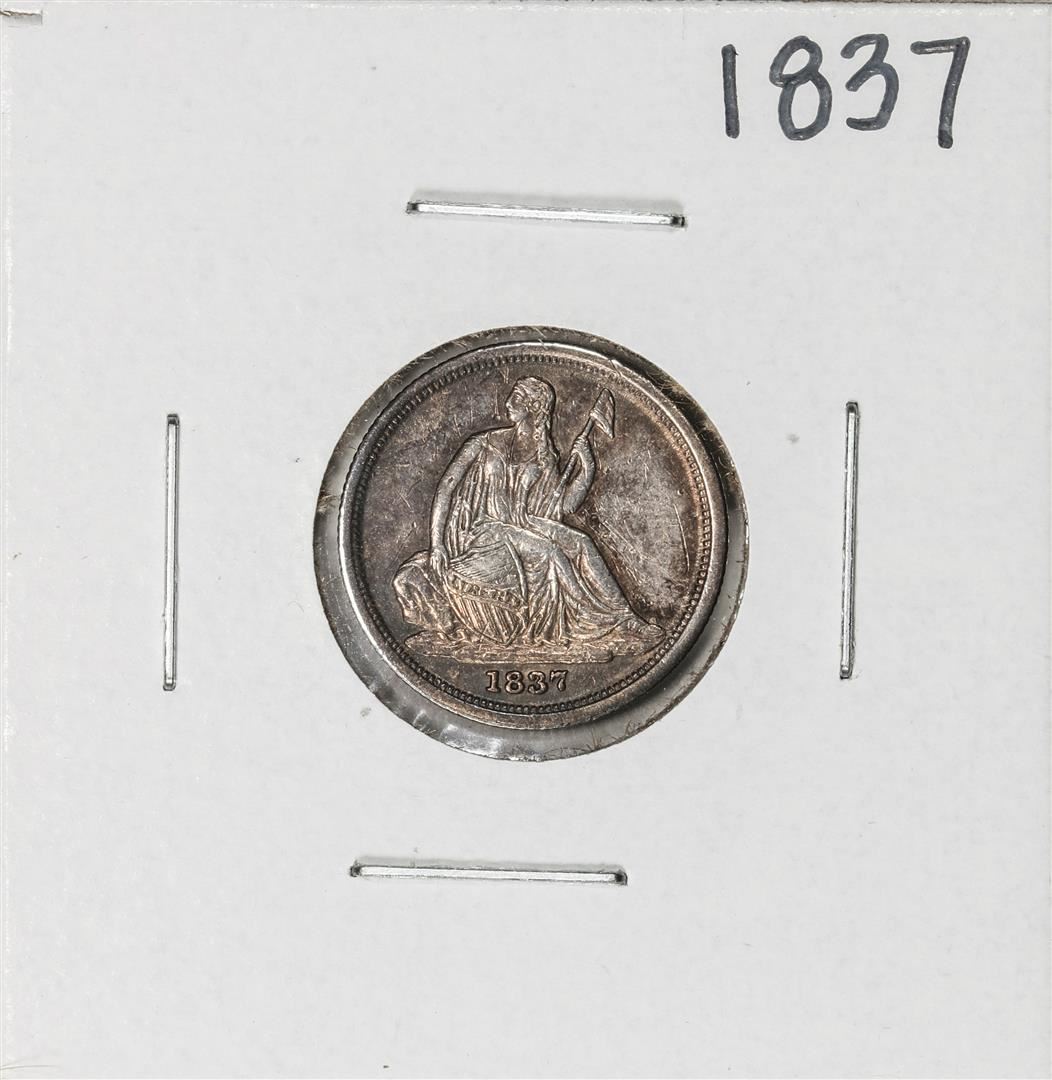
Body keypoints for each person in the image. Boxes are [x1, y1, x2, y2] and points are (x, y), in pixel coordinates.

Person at [393, 376, 663, 660]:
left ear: (533, 407)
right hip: (486, 530)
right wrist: (437, 544)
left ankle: (625, 618)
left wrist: (587, 471)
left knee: (582, 541)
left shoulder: (544, 455)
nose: (508, 403)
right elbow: (446, 488)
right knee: (550, 552)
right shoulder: (483, 443)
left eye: (517, 399)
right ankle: (593, 619)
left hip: (524, 523)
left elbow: (564, 507)